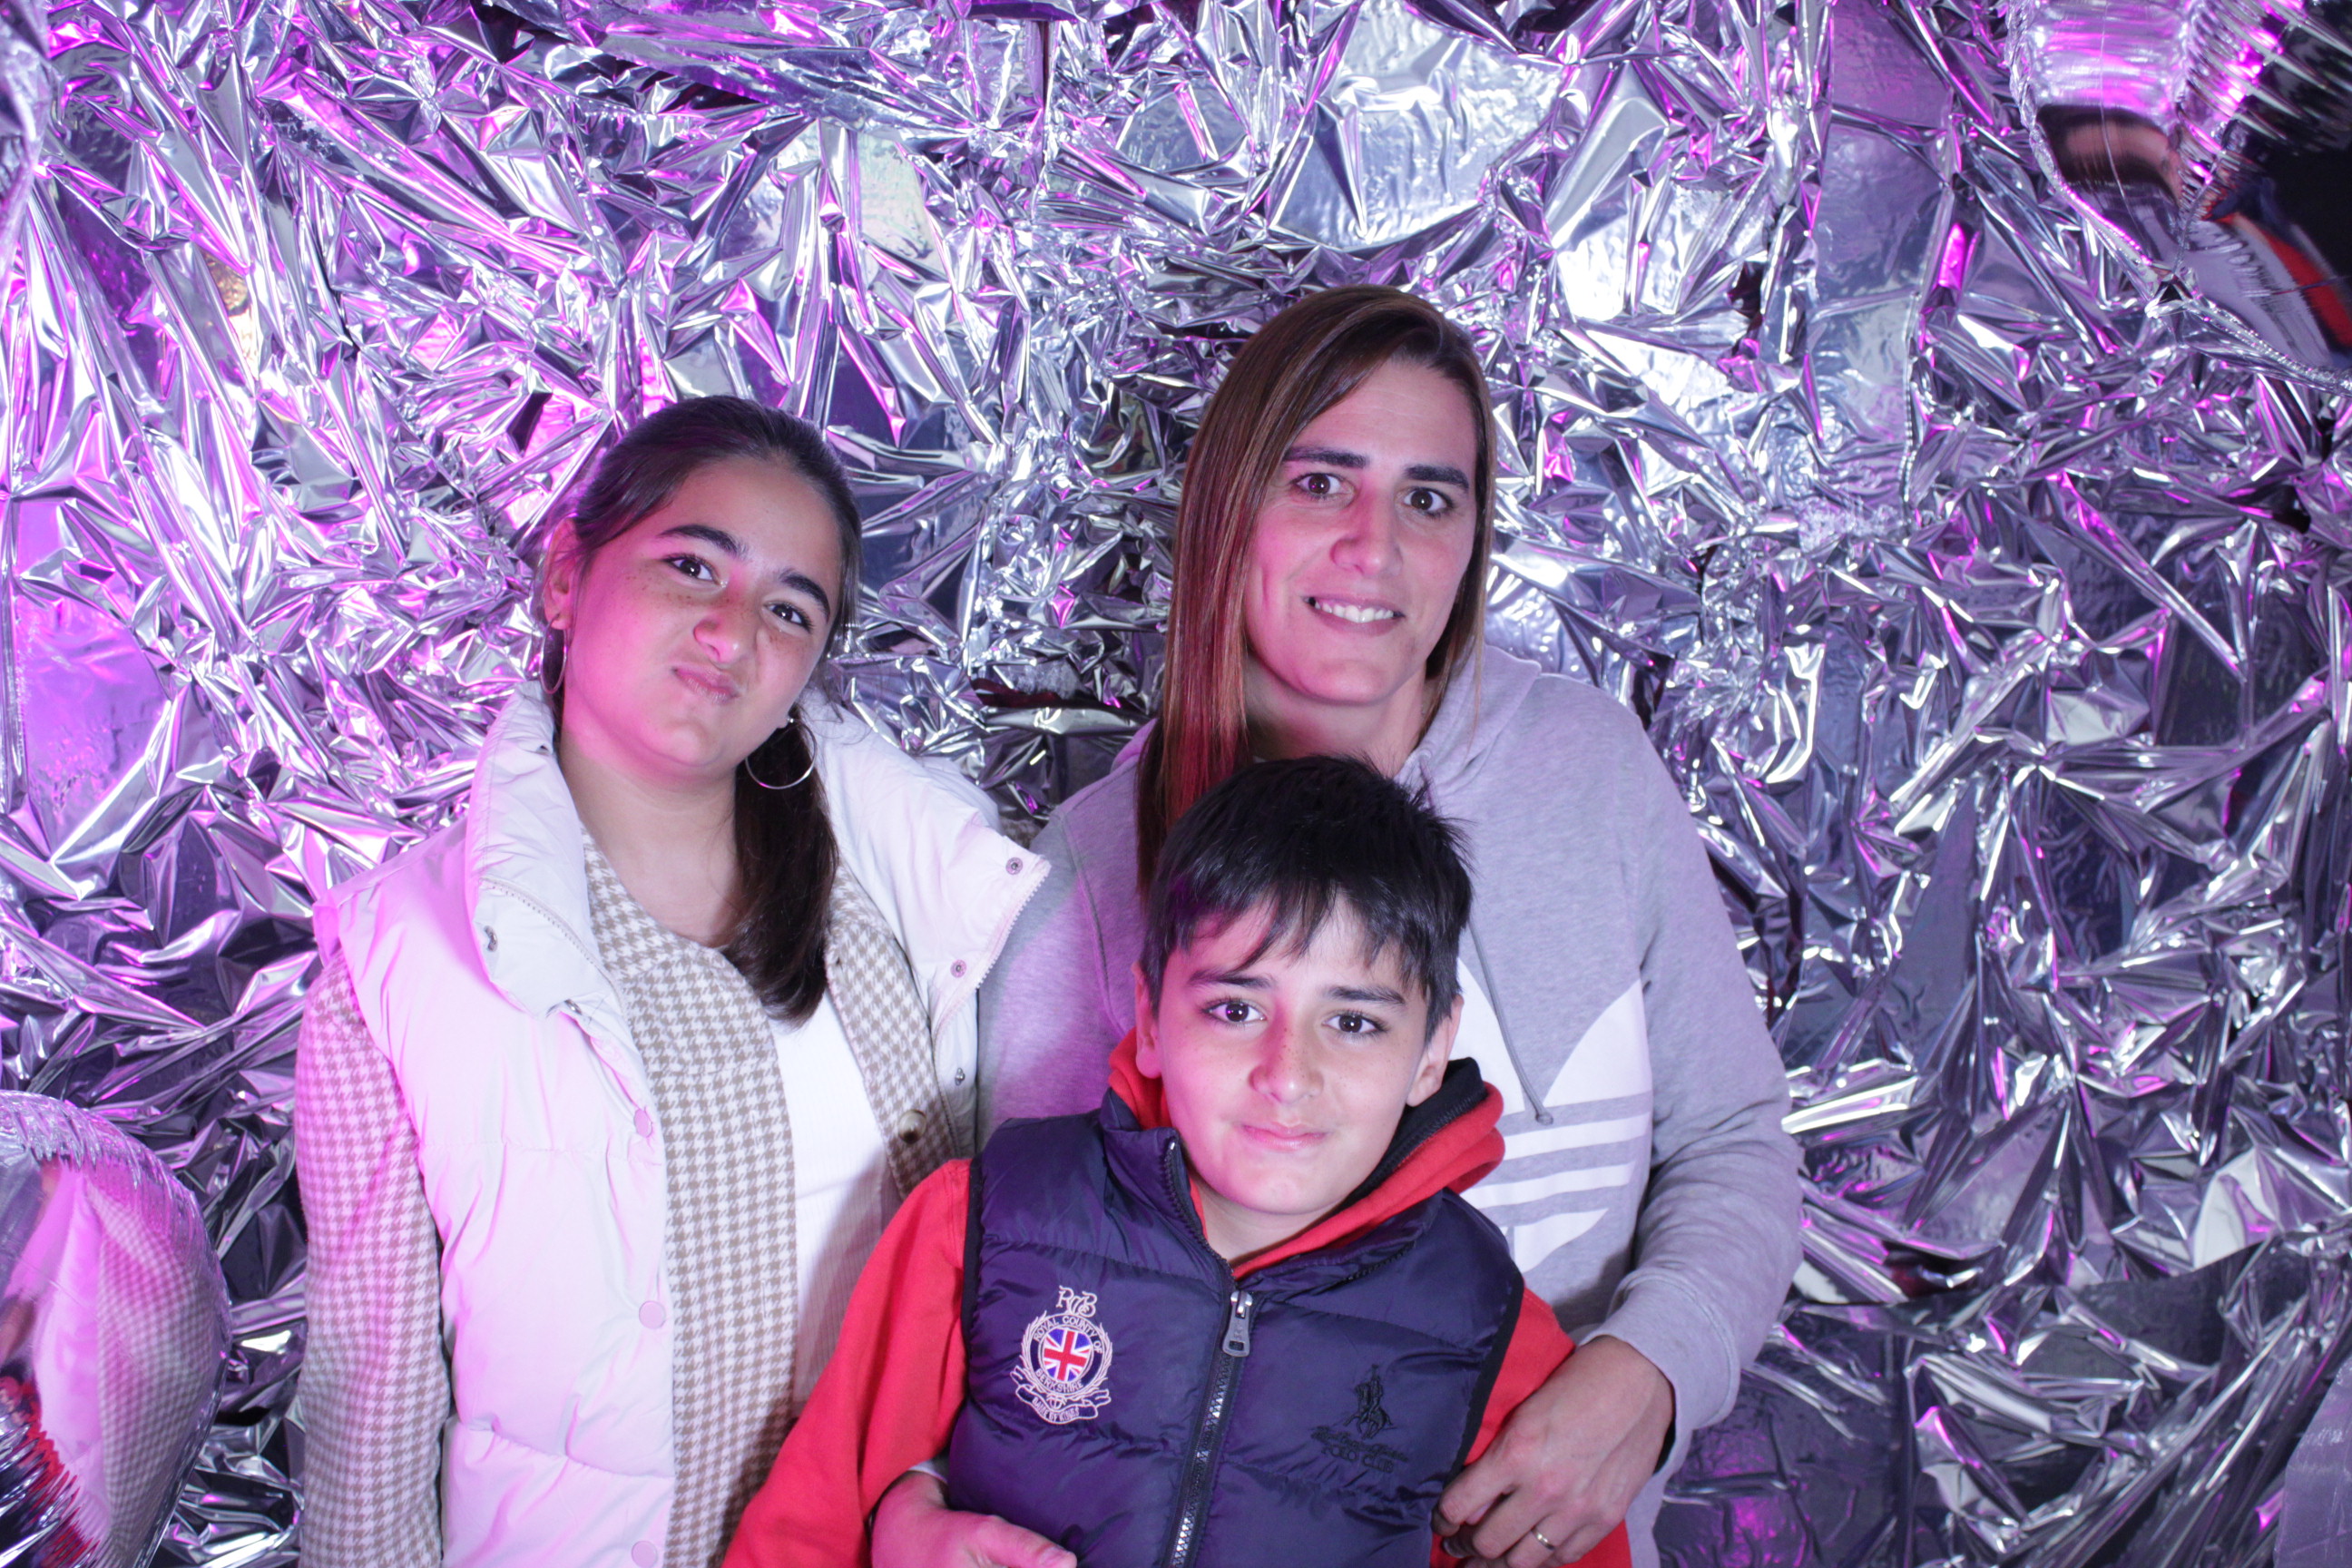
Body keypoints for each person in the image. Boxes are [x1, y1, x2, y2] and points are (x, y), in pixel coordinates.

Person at [957, 287, 1803, 1568]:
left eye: (1429, 498)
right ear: (1229, 509)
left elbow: (1732, 1138)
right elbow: (1016, 1279)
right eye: (1320, 483)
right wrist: (915, 1499)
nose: (1377, 547)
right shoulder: (1090, 870)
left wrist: (1649, 1373)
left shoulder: (1588, 770)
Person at [293, 397, 1047, 1568]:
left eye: (789, 609)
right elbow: (369, 1416)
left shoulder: (924, 882)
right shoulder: (395, 959)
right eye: (693, 565)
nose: (732, 633)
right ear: (566, 577)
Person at [723, 757, 1633, 1568]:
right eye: (1237, 1010)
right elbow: (810, 1530)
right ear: (1150, 1019)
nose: (1288, 1075)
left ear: (1432, 1051)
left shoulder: (1482, 1316)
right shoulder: (981, 1222)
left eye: (1354, 1022)